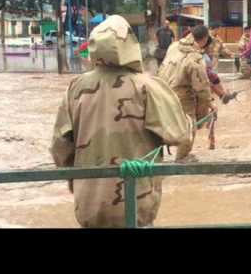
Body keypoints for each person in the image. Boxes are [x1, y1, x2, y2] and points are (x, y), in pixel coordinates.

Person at [49, 15, 193, 228]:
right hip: (136, 203)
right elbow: (181, 135)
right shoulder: (148, 87)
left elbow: (59, 147)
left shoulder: (75, 88)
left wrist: (76, 180)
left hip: (89, 205)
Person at [158, 25, 214, 162]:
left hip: (161, 92)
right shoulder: (195, 58)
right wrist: (203, 114)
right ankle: (181, 159)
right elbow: (202, 91)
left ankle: (157, 159)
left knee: (161, 126)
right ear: (205, 38)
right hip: (182, 95)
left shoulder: (174, 46)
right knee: (189, 127)